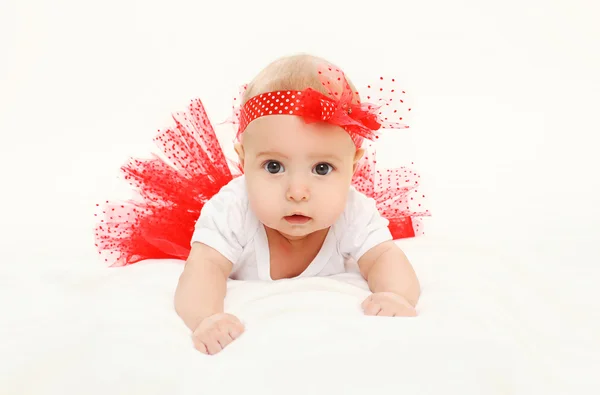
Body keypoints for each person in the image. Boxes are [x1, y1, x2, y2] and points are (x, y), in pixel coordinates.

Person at [94, 53, 430, 355]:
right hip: (219, 237)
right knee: (201, 249)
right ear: (243, 160)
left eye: (322, 168)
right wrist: (207, 318)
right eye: (274, 166)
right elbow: (204, 269)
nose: (297, 191)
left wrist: (396, 295)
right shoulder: (232, 209)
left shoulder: (353, 210)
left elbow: (386, 257)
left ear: (353, 167)